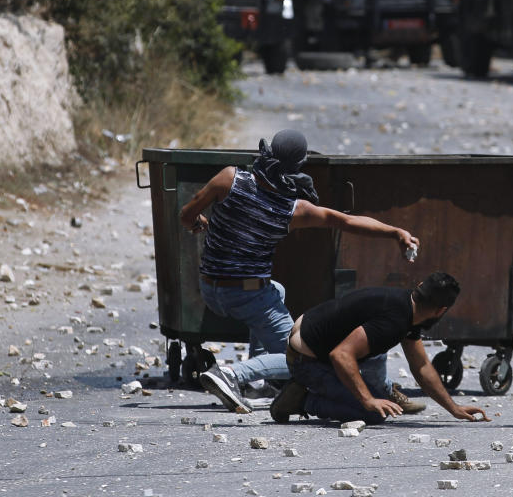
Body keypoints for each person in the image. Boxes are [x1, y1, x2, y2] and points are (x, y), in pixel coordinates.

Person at [178, 129, 422, 414]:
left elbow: (186, 214)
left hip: (210, 288)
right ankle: (232, 375)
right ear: (298, 166)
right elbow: (345, 221)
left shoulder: (229, 178)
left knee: (276, 290)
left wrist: (198, 221)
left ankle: (260, 385)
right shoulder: (293, 210)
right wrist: (395, 232)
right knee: (301, 357)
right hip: (247, 295)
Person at [270, 272, 491, 425]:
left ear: (421, 287)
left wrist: (453, 408)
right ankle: (301, 400)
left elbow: (421, 366)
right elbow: (341, 355)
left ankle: (323, 391)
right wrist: (368, 400)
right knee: (373, 414)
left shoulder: (408, 307)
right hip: (307, 362)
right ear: (441, 311)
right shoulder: (394, 321)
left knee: (373, 398)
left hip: (309, 344)